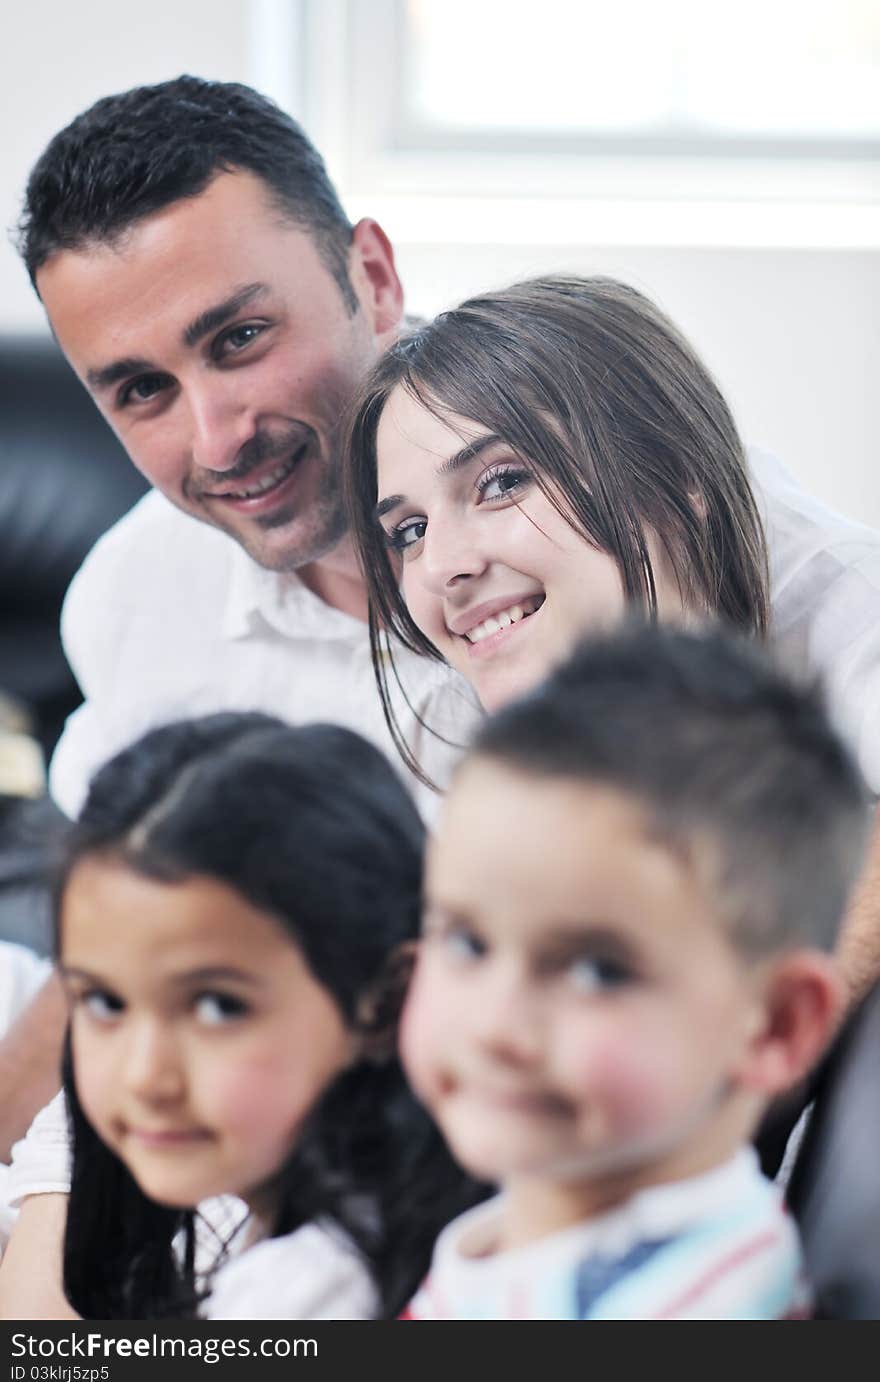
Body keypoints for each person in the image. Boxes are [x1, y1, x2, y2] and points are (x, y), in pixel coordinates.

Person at [3, 74, 880, 1311]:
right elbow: (108, 941)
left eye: (240, 337)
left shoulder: (672, 542)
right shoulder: (138, 596)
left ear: (370, 274)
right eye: (139, 390)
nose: (215, 437)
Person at [343, 274, 880, 995]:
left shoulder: (849, 613)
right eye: (409, 531)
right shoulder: (454, 761)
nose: (440, 566)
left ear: (675, 472)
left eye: (501, 483)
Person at [401, 623, 868, 1319]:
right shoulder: (537, 1225)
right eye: (468, 943)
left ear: (774, 1025)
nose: (496, 1024)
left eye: (597, 971)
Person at [47, 710, 480, 1318]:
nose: (145, 1075)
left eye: (218, 1007)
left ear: (382, 1004)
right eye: (104, 1002)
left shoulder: (311, 1293)